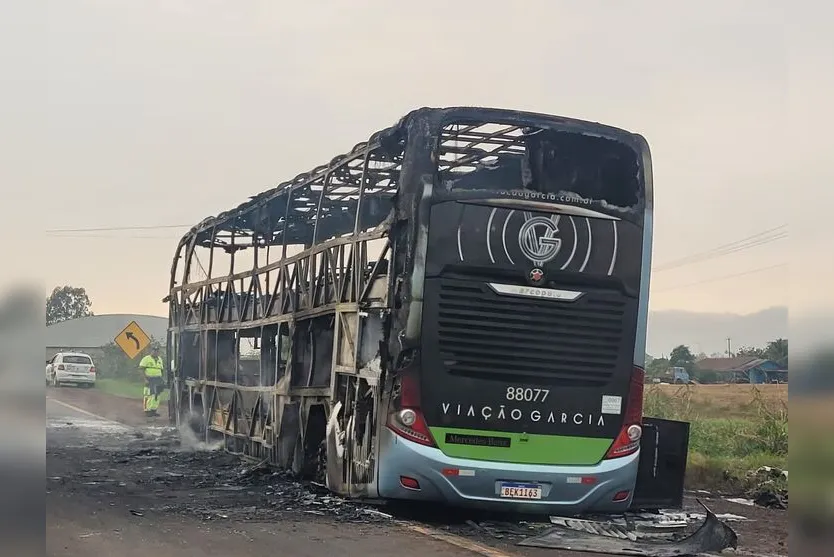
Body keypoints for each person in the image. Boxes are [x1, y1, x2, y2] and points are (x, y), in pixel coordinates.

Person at [139, 347, 164, 417]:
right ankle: (147, 410)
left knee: (157, 395)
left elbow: (161, 370)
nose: (155, 352)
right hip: (149, 379)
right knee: (149, 395)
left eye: (157, 351)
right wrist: (145, 379)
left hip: (158, 379)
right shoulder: (146, 359)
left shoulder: (160, 359)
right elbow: (141, 370)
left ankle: (153, 410)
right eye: (154, 351)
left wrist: (162, 379)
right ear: (151, 351)